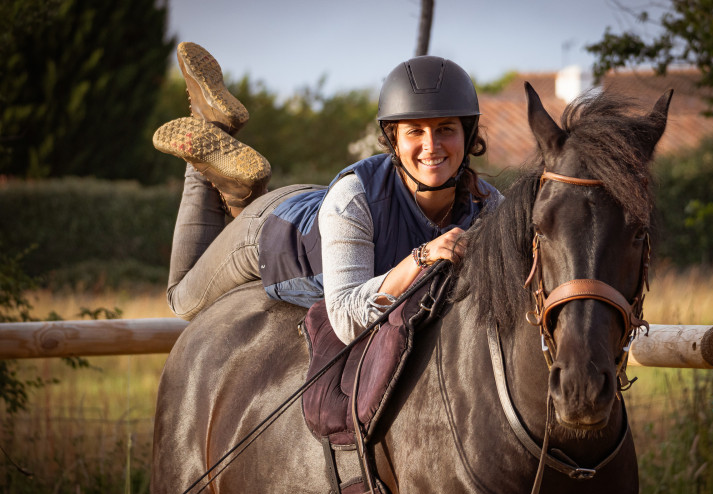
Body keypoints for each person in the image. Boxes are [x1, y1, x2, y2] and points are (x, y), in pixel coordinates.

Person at [153, 42, 502, 344]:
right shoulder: (355, 197)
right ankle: (208, 124)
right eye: (415, 131)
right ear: (393, 139)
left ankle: (242, 190)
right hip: (271, 231)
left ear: (467, 135)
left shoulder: (490, 206)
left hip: (323, 208)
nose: (431, 146)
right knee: (181, 301)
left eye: (445, 129)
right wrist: (421, 257)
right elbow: (347, 319)